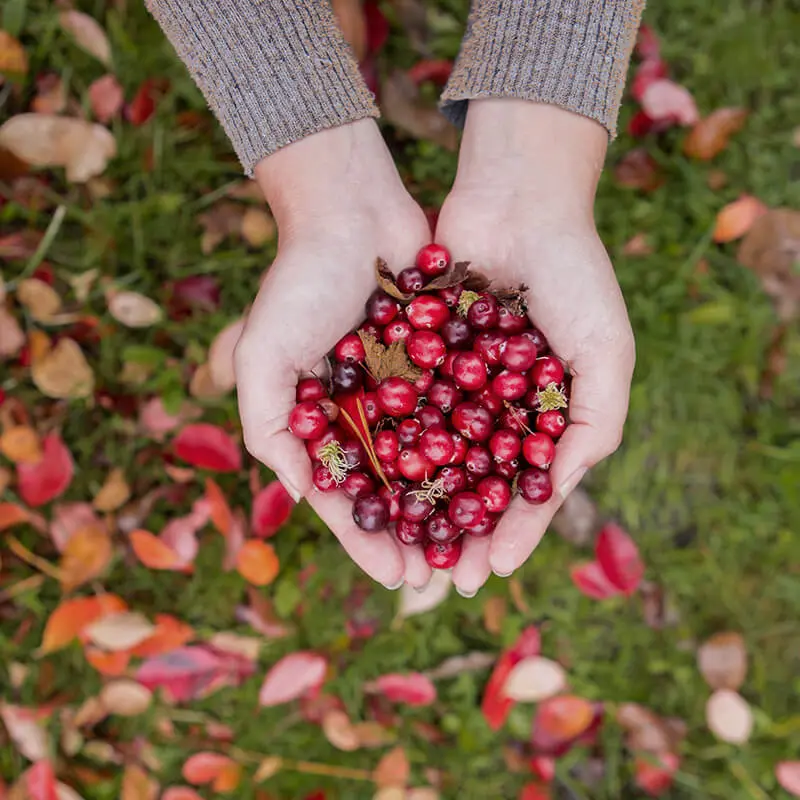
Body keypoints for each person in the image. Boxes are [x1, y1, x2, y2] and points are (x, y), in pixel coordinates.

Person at [146, 0, 640, 596]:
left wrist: (317, 165)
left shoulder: (430, 399)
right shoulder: (434, 403)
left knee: (331, 39)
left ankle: (334, 51)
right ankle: (329, 46)